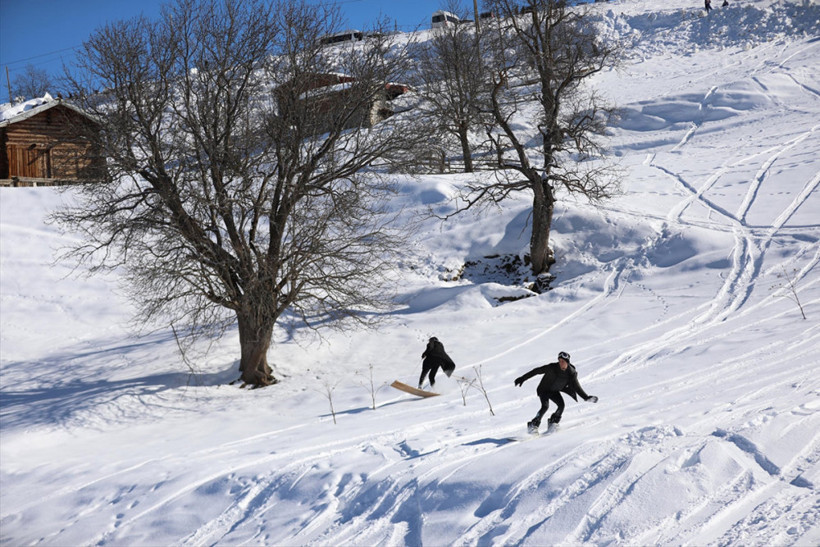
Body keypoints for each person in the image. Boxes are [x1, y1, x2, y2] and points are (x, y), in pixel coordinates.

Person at [514, 351, 598, 432]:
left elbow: (577, 387)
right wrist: (523, 378)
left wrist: (586, 397)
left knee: (561, 406)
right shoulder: (552, 367)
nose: (560, 363)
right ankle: (533, 425)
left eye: (562, 361)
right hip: (544, 389)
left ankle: (553, 422)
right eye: (559, 361)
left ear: (567, 362)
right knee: (545, 406)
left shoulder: (571, 373)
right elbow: (537, 371)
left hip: (554, 391)